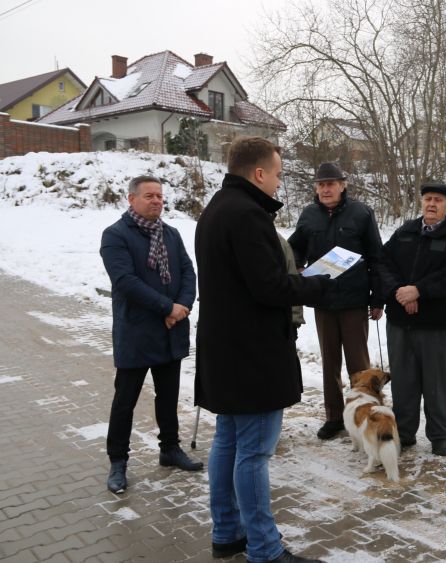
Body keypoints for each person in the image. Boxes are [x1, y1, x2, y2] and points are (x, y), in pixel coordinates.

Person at [195, 136, 329, 563]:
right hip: (252, 354)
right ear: (258, 173)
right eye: (276, 174)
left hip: (226, 348)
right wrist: (316, 284)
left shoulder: (216, 209)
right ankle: (265, 550)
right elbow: (268, 286)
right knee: (252, 453)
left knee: (228, 443)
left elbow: (247, 279)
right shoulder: (247, 215)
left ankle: (227, 533)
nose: (278, 182)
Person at [100, 175, 202, 495]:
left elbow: (188, 272)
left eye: (159, 195)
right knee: (125, 401)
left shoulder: (170, 234)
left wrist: (183, 305)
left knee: (168, 396)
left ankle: (169, 449)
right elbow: (126, 282)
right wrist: (167, 308)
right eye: (149, 196)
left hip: (170, 331)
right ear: (131, 199)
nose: (156, 200)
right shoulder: (116, 235)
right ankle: (118, 461)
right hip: (136, 332)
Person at [288, 162, 384, 440]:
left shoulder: (361, 213)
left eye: (331, 183)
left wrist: (378, 299)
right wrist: (297, 267)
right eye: (321, 184)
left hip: (354, 300)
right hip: (323, 299)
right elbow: (295, 246)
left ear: (343, 185)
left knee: (358, 364)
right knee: (330, 362)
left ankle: (363, 414)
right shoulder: (308, 215)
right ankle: (334, 417)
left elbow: (377, 257)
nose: (325, 189)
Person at [381, 181, 446, 456]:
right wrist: (400, 292)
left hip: (441, 325)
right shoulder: (405, 231)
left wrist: (419, 291)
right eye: (427, 199)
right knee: (403, 383)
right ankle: (405, 433)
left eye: (438, 200)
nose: (431, 204)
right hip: (402, 323)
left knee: (437, 385)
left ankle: (439, 435)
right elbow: (383, 263)